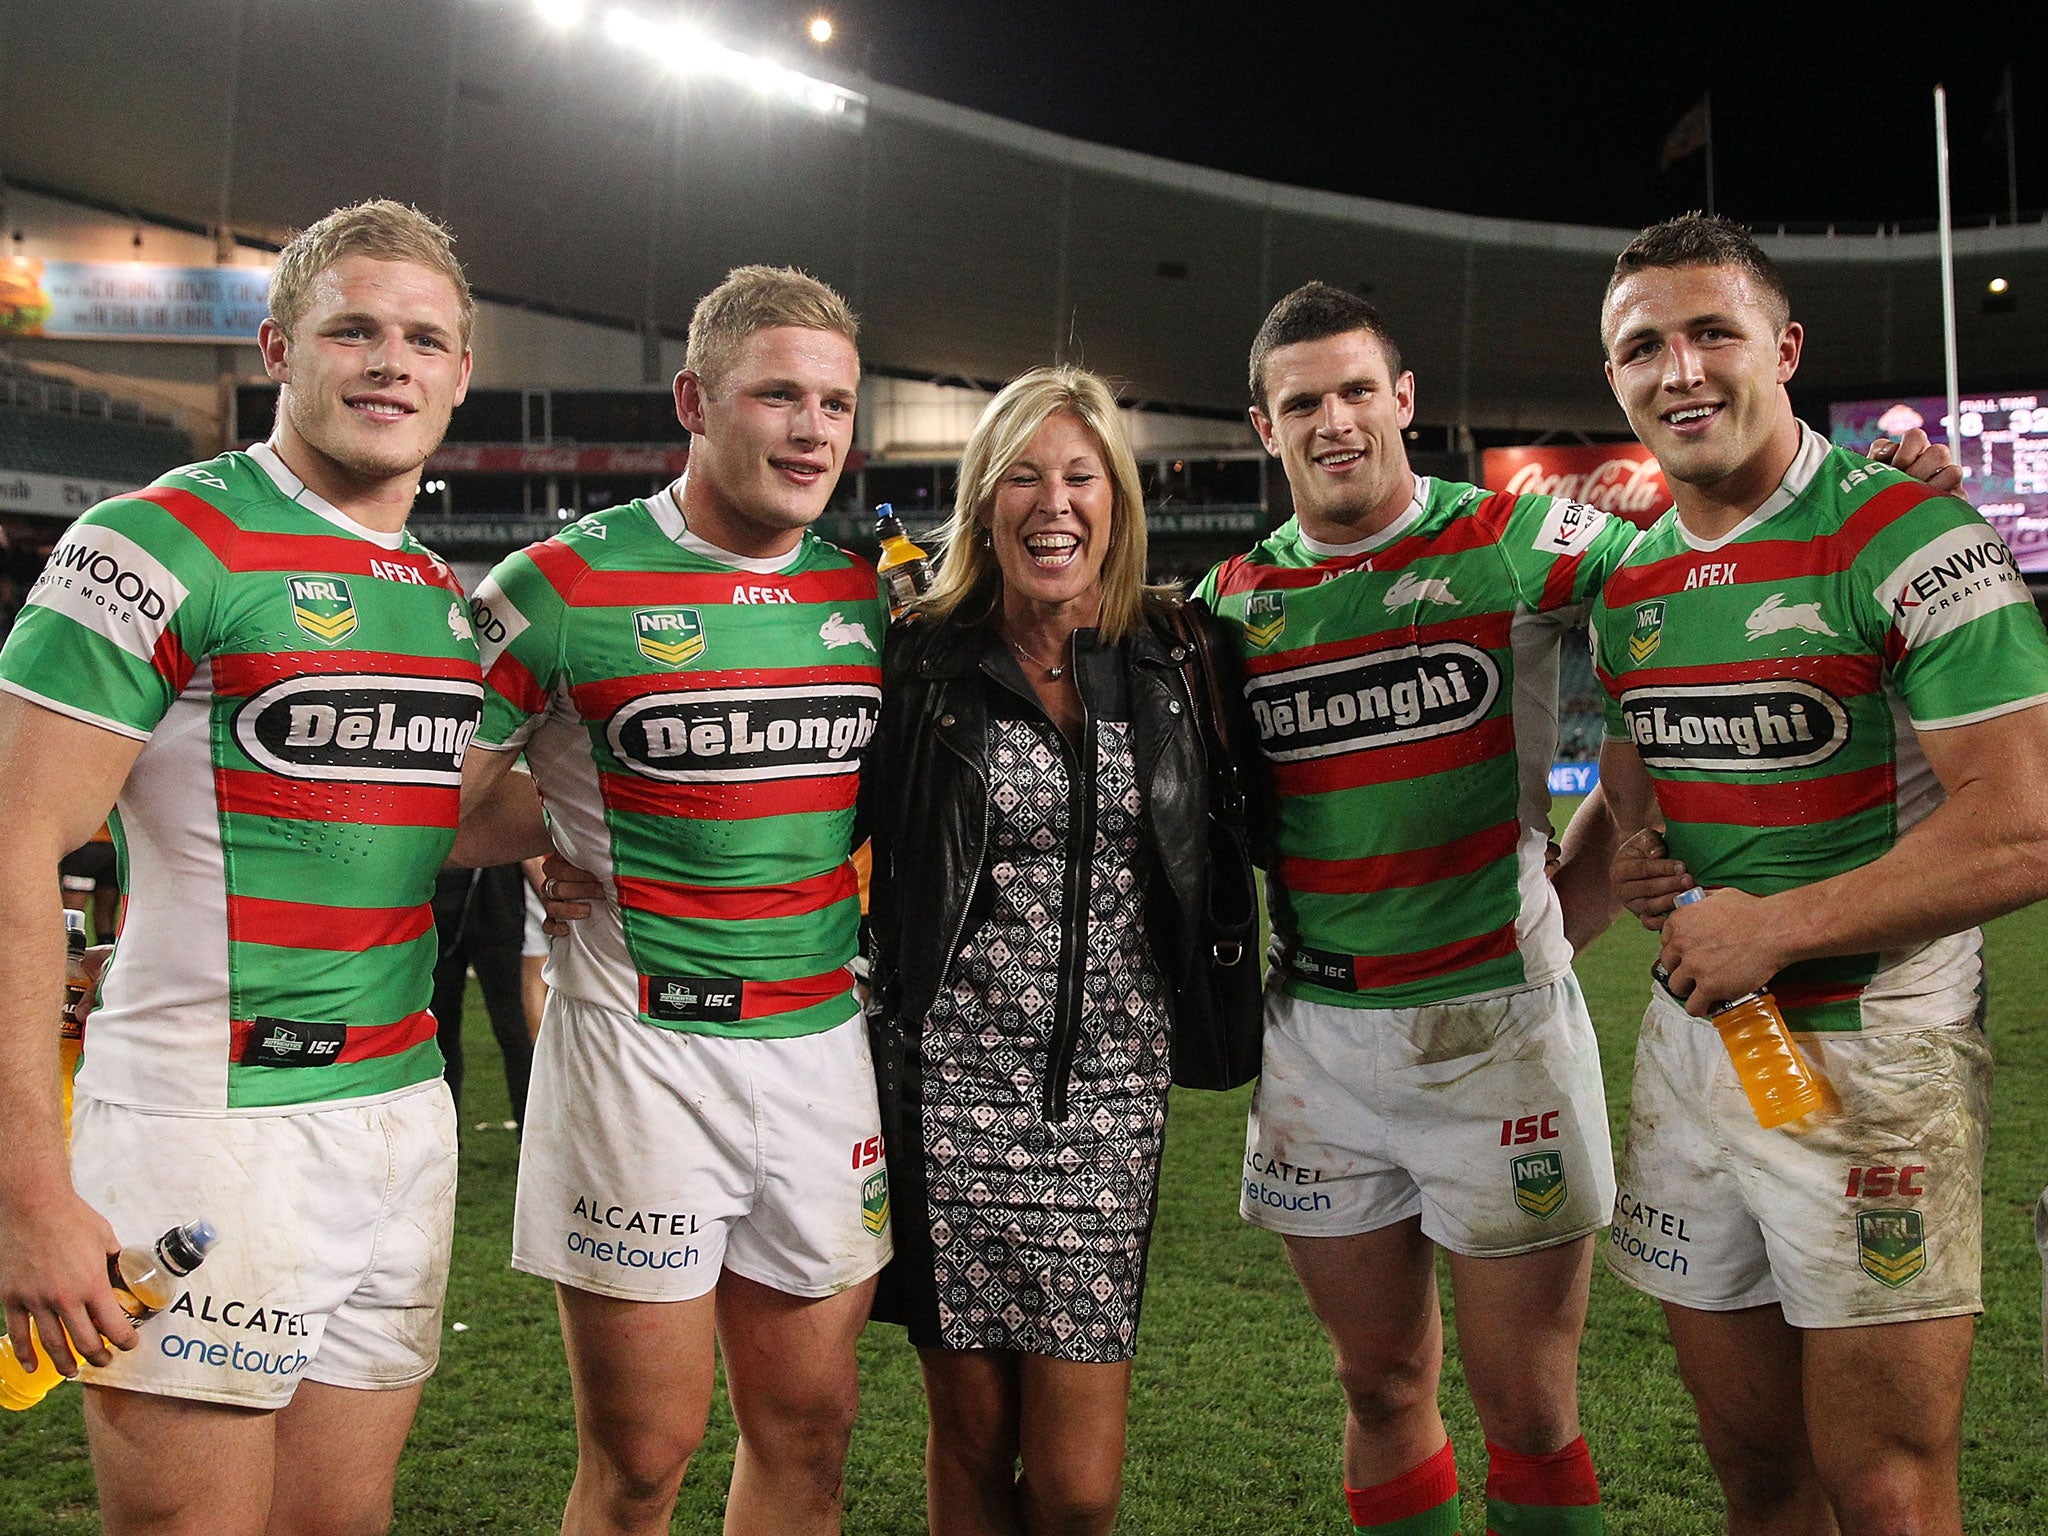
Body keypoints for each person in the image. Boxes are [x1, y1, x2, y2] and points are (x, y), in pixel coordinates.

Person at [0, 201, 496, 1536]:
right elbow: (8, 855)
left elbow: (416, 822)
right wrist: (29, 1192)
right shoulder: (153, 541)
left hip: (402, 1117)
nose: (390, 361)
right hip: (205, 1125)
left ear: (461, 373)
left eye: (423, 339)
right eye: (354, 329)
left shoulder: (438, 596)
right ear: (279, 347)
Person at [1592, 213, 2048, 1535]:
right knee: (1758, 1478)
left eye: (1711, 333)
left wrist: (1776, 927)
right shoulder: (1630, 581)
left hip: (1876, 1069)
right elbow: (1638, 746)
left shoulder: (1918, 538)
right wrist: (1633, 842)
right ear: (1613, 382)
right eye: (1641, 349)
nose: (1678, 371)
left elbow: (2023, 823)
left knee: (1887, 1487)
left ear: (1783, 347)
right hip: (1696, 1054)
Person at [458, 265, 889, 1536]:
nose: (811, 429)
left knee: (809, 1439)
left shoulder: (864, 597)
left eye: (833, 402)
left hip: (820, 1051)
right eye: (777, 396)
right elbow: (442, 802)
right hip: (638, 1057)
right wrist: (563, 829)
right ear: (695, 401)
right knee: (643, 1459)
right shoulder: (552, 585)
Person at [863, 365, 1252, 1535]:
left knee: (1080, 1490)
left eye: (1079, 476)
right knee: (972, 1445)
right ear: (983, 504)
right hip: (948, 1091)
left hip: (1111, 1101)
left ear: (1116, 501)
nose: (1054, 503)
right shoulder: (919, 660)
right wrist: (569, 845)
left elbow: (1278, 812)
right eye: (1023, 476)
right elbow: (801, 809)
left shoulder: (1182, 656)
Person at [429, 861, 535, 1129]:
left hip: (494, 917)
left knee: (511, 1031)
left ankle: (530, 1134)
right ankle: (447, 1135)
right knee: (442, 1033)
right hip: (447, 917)